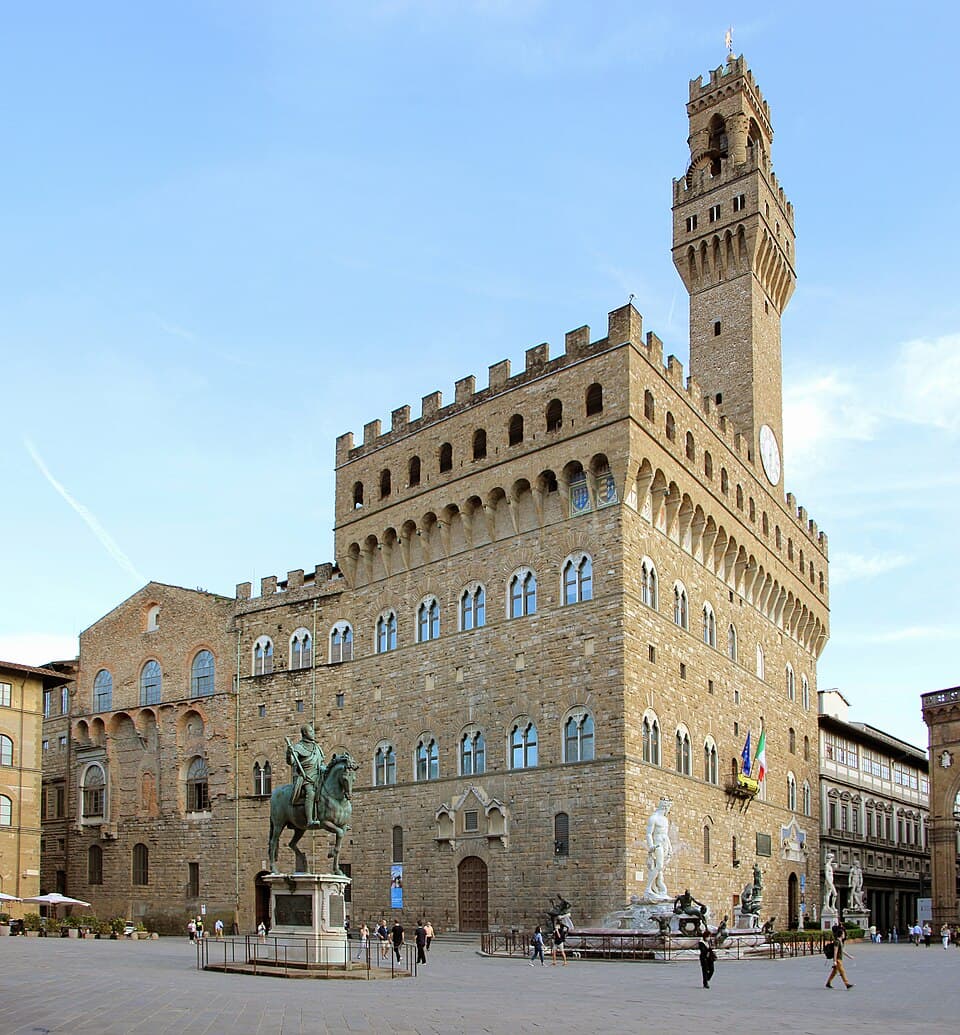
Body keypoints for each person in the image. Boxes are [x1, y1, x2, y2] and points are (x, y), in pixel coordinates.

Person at [286, 723, 325, 828]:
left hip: (319, 775)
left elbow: (321, 762)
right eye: (310, 731)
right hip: (306, 778)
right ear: (304, 733)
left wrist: (324, 768)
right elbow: (292, 761)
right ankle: (310, 821)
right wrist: (289, 753)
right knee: (310, 793)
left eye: (313, 731)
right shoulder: (299, 747)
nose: (313, 733)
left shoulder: (317, 747)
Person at [644, 797, 673, 901]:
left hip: (665, 844)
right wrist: (651, 846)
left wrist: (670, 847)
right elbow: (648, 834)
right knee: (659, 865)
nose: (669, 810)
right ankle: (648, 888)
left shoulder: (665, 819)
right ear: (665, 807)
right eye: (669, 807)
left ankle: (660, 888)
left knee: (661, 868)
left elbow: (666, 835)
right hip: (657, 844)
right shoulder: (653, 818)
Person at [825, 925, 854, 989]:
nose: (844, 935)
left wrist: (849, 956)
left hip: (840, 959)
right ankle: (847, 984)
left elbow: (842, 950)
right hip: (838, 959)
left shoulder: (840, 942)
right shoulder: (837, 942)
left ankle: (828, 983)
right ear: (841, 934)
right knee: (842, 971)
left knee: (834, 972)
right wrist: (834, 961)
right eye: (843, 933)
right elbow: (835, 952)